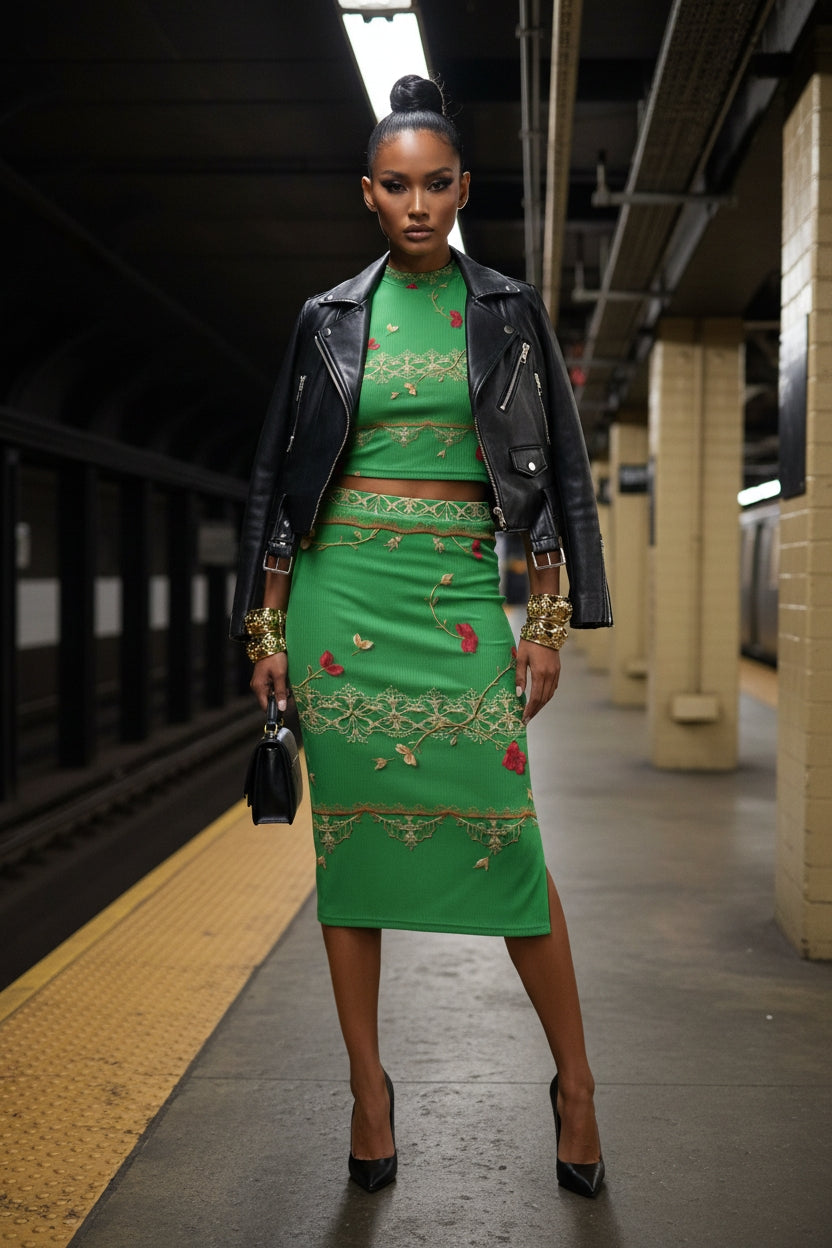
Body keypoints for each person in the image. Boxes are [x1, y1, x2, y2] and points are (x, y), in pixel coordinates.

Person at [231, 75, 612, 1198]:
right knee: (347, 856)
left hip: (455, 609)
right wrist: (267, 626)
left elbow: (549, 475)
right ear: (367, 193)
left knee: (510, 841)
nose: (415, 204)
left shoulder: (506, 312)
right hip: (339, 606)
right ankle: (367, 1091)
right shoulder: (327, 319)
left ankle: (577, 1088)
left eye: (434, 184)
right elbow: (278, 481)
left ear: (460, 189)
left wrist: (545, 622)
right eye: (394, 186)